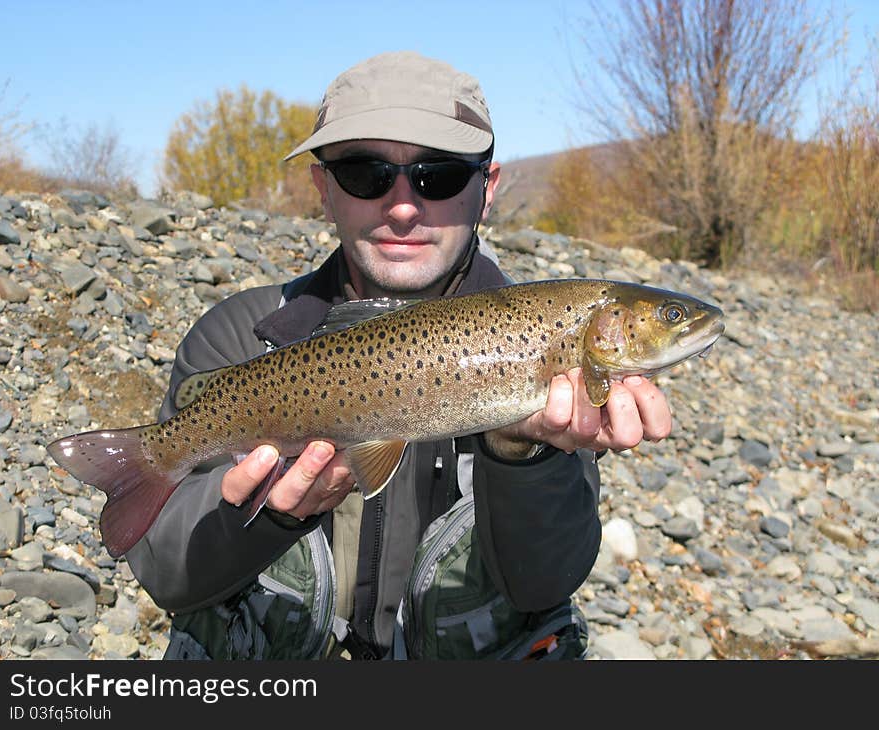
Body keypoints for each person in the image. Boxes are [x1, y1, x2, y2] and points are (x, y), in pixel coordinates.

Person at [125, 51, 672, 660]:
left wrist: (523, 454)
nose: (404, 206)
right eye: (366, 173)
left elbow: (542, 583)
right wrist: (263, 515)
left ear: (486, 189)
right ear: (323, 188)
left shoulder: (545, 342)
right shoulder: (241, 339)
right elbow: (163, 574)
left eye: (438, 176)